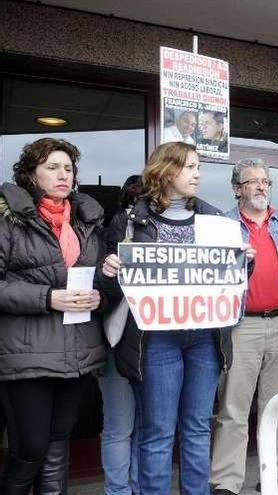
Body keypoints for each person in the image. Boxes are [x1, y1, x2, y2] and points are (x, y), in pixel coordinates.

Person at [101, 142, 254, 495]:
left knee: (198, 427)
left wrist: (245, 261)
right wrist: (108, 272)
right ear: (165, 171)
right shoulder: (128, 222)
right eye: (189, 167)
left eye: (198, 167)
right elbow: (106, 289)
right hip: (155, 340)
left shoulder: (216, 219)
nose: (198, 174)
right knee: (158, 431)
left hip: (205, 337)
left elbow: (232, 282)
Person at [0, 138, 107, 495]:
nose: (63, 174)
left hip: (77, 352)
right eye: (52, 167)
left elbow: (102, 280)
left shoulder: (87, 220)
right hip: (26, 353)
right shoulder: (8, 219)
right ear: (30, 174)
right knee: (30, 449)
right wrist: (47, 298)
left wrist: (101, 292)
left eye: (68, 168)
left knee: (59, 446)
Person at [211, 159, 278, 495]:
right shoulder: (222, 226)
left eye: (265, 181)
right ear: (237, 188)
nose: (260, 186)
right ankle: (226, 482)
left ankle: (277, 475)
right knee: (233, 407)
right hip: (241, 326)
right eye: (252, 181)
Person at [99, 175, 142, 495]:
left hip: (156, 344)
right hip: (121, 337)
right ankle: (118, 491)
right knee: (120, 427)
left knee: (144, 428)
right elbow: (105, 289)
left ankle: (138, 489)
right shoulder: (118, 227)